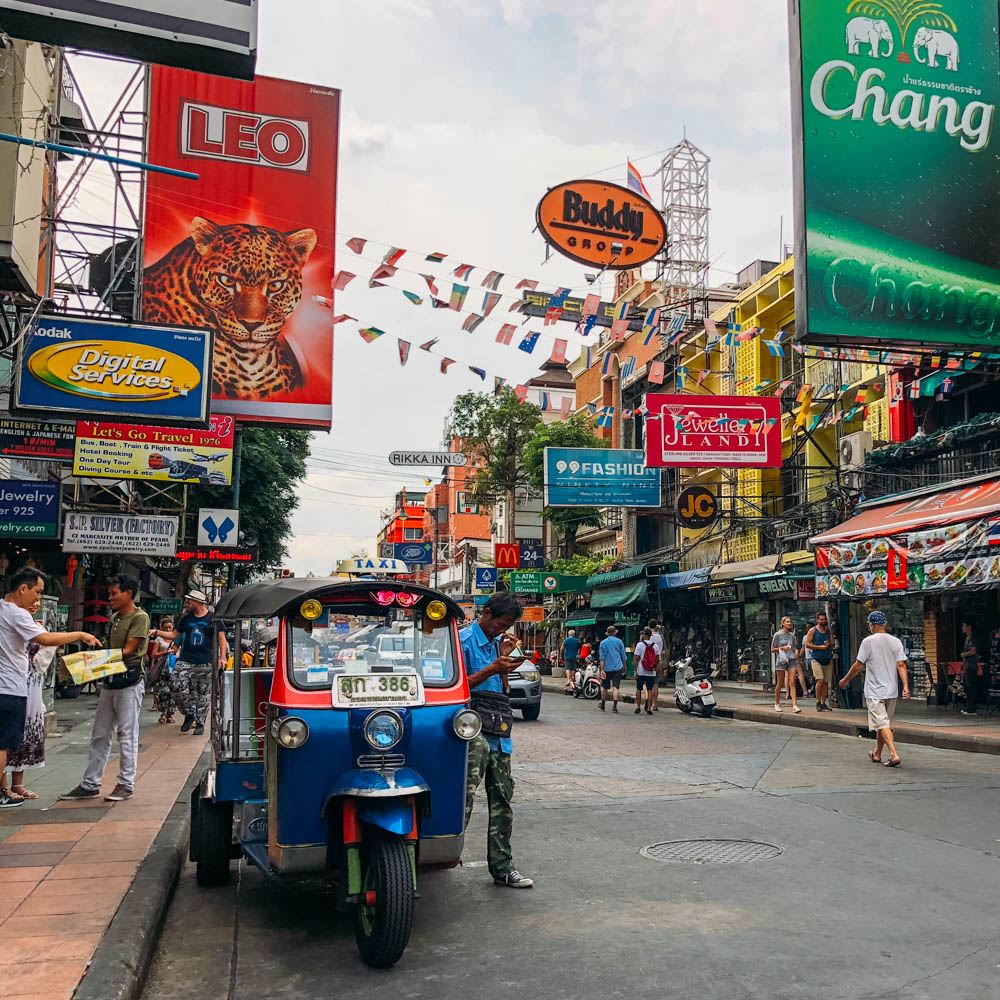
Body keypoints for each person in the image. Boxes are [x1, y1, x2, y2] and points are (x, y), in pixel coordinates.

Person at [0, 569, 99, 808]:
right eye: (37, 592)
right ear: (23, 588)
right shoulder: (17, 614)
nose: (38, 599)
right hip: (11, 688)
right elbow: (45, 639)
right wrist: (80, 634)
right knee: (3, 745)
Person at [461, 592, 533, 888]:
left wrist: (505, 668)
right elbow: (456, 686)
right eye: (499, 624)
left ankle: (503, 867)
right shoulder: (463, 642)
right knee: (462, 800)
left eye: (507, 627)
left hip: (500, 732)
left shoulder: (498, 644)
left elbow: (502, 689)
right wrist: (493, 667)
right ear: (486, 613)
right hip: (472, 733)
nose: (501, 630)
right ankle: (438, 856)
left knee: (502, 800)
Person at [60, 575, 150, 802]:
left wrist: (94, 660)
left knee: (127, 734)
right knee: (100, 734)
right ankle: (91, 783)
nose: (110, 598)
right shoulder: (115, 618)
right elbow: (113, 647)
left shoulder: (140, 618)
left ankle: (125, 783)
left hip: (129, 681)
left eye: (114, 593)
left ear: (128, 593)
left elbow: (130, 649)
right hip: (110, 679)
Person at [839, 610, 909, 766]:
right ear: (885, 624)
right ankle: (877, 753)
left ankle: (893, 754)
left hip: (875, 690)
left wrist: (845, 680)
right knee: (883, 724)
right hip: (891, 690)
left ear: (871, 625)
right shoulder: (895, 641)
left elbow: (858, 665)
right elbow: (901, 665)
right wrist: (905, 686)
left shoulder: (868, 642)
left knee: (882, 724)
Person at [156, 590, 226, 736]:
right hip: (186, 660)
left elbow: (221, 639)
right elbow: (174, 635)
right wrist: (157, 632)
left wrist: (223, 657)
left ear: (197, 602)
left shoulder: (213, 618)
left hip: (206, 662)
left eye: (189, 601)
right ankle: (189, 713)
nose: (186, 604)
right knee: (175, 686)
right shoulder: (185, 618)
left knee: (203, 694)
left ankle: (200, 723)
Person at [4, 597, 50, 800]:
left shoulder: (36, 627)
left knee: (25, 731)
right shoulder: (9, 622)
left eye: (39, 599)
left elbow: (46, 654)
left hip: (30, 682)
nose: (35, 603)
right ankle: (4, 787)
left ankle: (18, 784)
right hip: (12, 682)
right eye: (34, 596)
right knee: (6, 736)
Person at [149, 615, 177, 724]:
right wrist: (165, 652)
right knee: (163, 692)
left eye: (170, 627)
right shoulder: (159, 639)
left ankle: (170, 714)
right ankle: (163, 713)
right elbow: (153, 654)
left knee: (173, 692)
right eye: (166, 628)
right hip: (162, 669)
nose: (168, 630)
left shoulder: (176, 638)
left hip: (173, 668)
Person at [771, 616, 802, 713]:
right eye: (787, 622)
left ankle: (795, 705)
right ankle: (777, 703)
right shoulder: (777, 635)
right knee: (780, 683)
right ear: (783, 623)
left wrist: (796, 651)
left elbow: (793, 648)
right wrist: (782, 648)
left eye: (790, 622)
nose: (789, 623)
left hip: (791, 659)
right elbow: (772, 649)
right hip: (781, 660)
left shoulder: (792, 636)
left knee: (792, 682)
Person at [804, 612, 835, 712]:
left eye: (824, 619)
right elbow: (807, 644)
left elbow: (833, 644)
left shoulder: (828, 631)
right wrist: (819, 647)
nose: (823, 621)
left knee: (826, 682)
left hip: (827, 658)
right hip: (816, 658)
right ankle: (818, 701)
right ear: (817, 620)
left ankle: (823, 702)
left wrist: (829, 644)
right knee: (820, 679)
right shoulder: (812, 631)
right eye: (821, 620)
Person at [598, 625, 627, 713]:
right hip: (617, 667)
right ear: (615, 633)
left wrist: (602, 670)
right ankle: (614, 706)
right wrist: (624, 667)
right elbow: (623, 656)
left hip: (607, 668)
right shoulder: (619, 642)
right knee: (616, 687)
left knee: (605, 687)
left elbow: (602, 658)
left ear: (607, 633)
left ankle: (603, 704)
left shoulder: (603, 643)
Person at [633, 628, 658, 715]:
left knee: (639, 689)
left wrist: (635, 671)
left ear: (644, 635)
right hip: (651, 671)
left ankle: (638, 707)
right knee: (650, 689)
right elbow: (657, 660)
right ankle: (649, 709)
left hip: (641, 670)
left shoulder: (639, 645)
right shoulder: (655, 646)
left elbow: (636, 658)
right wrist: (655, 669)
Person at [958, 621, 980, 716]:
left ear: (969, 627)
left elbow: (973, 651)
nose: (963, 628)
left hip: (971, 665)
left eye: (964, 626)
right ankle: (968, 707)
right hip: (967, 665)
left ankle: (972, 708)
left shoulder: (972, 639)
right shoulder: (967, 638)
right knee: (968, 687)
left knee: (971, 687)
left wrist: (964, 654)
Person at [647, 621, 664, 711]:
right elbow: (664, 649)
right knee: (655, 683)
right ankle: (654, 704)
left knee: (647, 683)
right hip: (657, 661)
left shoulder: (646, 635)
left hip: (646, 662)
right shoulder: (660, 637)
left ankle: (648, 701)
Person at [561, 628, 580, 692]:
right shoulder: (576, 640)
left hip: (567, 656)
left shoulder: (566, 640)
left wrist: (561, 655)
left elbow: (562, 648)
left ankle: (568, 680)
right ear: (574, 634)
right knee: (573, 669)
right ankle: (571, 679)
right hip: (574, 656)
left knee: (567, 668)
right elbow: (578, 648)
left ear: (569, 634)